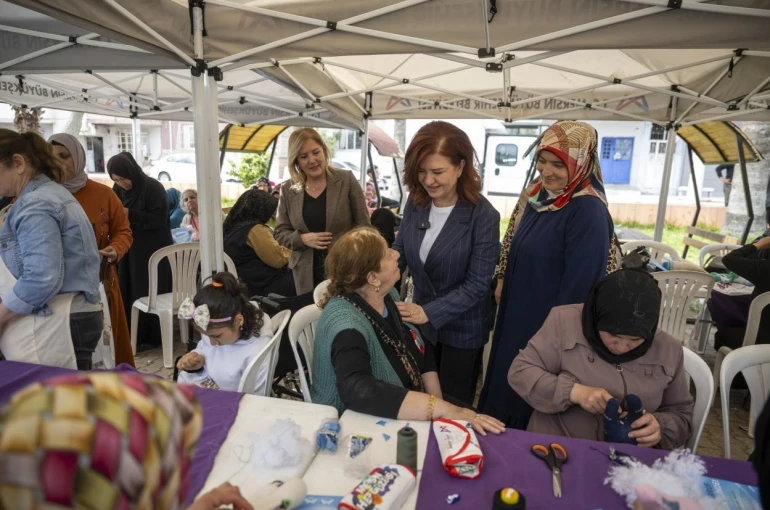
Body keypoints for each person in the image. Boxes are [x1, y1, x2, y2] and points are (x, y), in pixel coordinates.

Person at [480, 120, 616, 429]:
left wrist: (551, 348)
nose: (546, 170)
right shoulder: (539, 198)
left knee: (526, 411)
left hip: (546, 336)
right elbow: (514, 243)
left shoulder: (587, 212)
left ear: (582, 163)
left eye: (559, 163)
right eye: (542, 160)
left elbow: (579, 292)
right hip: (516, 321)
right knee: (503, 397)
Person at [312, 227, 505, 436]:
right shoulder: (348, 325)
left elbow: (419, 348)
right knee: (477, 431)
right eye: (387, 253)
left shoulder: (387, 296)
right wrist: (440, 409)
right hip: (356, 425)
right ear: (373, 278)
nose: (396, 253)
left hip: (404, 402)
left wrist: (438, 406)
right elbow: (359, 390)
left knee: (478, 423)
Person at [510, 269, 693, 449]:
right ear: (597, 317)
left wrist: (660, 426)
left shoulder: (669, 349)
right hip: (558, 448)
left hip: (630, 463)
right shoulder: (563, 322)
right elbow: (520, 372)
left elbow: (682, 414)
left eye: (635, 340)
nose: (621, 347)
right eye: (613, 335)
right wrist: (574, 392)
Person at [393, 121, 500, 406]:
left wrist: (426, 312)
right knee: (420, 403)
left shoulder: (483, 216)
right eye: (422, 171)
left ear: (461, 167)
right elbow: (399, 253)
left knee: (451, 408)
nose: (429, 181)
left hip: (462, 332)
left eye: (438, 172)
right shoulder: (416, 203)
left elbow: (478, 285)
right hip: (420, 326)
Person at [0, 129, 102, 370]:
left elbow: (41, 277)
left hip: (59, 318)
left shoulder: (36, 203)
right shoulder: (49, 195)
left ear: (18, 163)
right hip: (72, 315)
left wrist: (2, 315)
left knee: (54, 403)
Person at [49, 133, 135, 367]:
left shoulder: (103, 194)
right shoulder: (39, 196)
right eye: (52, 157)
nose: (59, 163)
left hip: (99, 284)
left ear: (77, 157)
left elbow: (123, 231)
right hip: (53, 292)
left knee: (106, 353)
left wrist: (114, 250)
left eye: (65, 156)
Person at [274, 128, 370, 295]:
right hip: (304, 274)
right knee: (310, 318)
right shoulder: (288, 189)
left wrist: (350, 250)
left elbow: (364, 228)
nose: (312, 160)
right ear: (296, 161)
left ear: (324, 150)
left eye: (316, 152)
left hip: (344, 269)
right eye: (304, 157)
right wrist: (302, 239)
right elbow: (280, 232)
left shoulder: (346, 180)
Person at [108, 151, 173, 349]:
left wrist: (131, 214)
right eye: (116, 180)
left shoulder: (153, 187)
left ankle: (153, 336)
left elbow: (160, 219)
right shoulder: (117, 190)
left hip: (153, 248)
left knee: (150, 288)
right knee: (130, 287)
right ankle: (132, 334)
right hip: (129, 248)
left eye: (123, 178)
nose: (121, 184)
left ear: (132, 172)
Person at [176, 272, 273, 393]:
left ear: (238, 321)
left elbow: (256, 398)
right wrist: (197, 358)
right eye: (206, 336)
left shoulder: (258, 353)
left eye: (216, 336)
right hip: (207, 388)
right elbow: (206, 348)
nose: (212, 343)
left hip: (234, 403)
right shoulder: (220, 330)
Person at [223, 189, 295, 297]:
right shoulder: (255, 230)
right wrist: (296, 251)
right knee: (305, 278)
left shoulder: (232, 228)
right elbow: (277, 259)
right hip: (264, 287)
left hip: (246, 284)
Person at [715, 236, 770, 352]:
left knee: (723, 334)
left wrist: (757, 246)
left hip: (760, 343)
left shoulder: (764, 269)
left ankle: (738, 368)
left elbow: (729, 259)